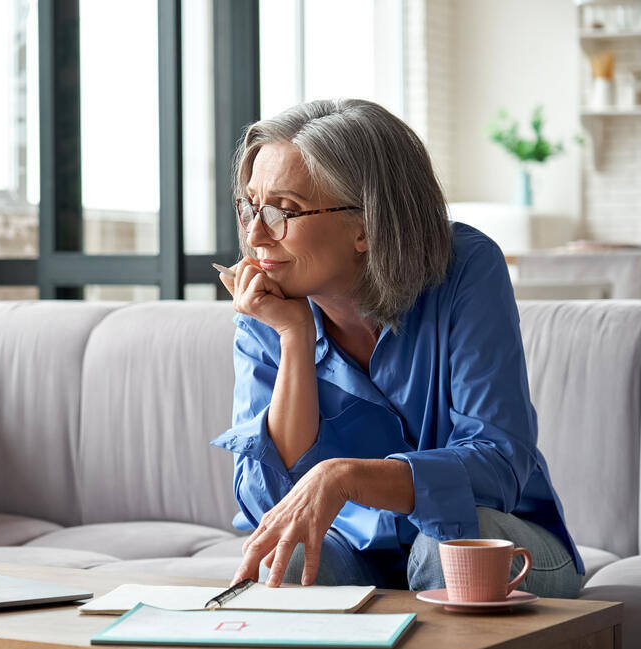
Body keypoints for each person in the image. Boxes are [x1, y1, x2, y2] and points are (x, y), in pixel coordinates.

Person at [209, 98, 583, 597]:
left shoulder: (467, 268)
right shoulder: (269, 303)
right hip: (356, 549)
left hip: (498, 539)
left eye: (284, 211)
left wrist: (345, 477)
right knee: (290, 557)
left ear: (366, 225)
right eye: (250, 207)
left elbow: (499, 464)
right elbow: (269, 503)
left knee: (444, 548)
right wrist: (294, 339)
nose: (256, 235)